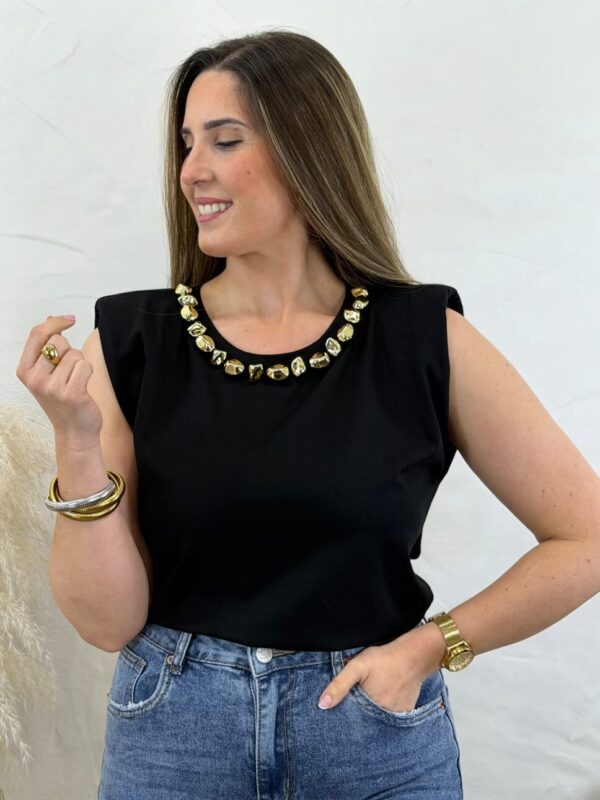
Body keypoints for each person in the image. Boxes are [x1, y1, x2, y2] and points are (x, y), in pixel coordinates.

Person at [16, 29, 600, 800]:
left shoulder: (424, 339)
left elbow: (586, 535)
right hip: (176, 736)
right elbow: (106, 624)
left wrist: (430, 648)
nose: (192, 170)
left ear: (308, 151)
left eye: (225, 140)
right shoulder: (132, 343)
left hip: (373, 739)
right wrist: (75, 439)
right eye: (186, 144)